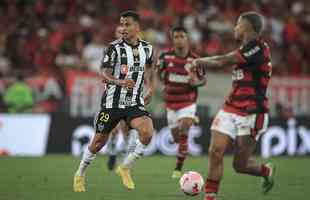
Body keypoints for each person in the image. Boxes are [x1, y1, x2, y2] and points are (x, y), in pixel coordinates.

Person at [191, 12, 275, 200]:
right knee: (215, 151)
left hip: (253, 111)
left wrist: (198, 61)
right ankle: (210, 197)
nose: (235, 28)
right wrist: (200, 62)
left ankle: (266, 171)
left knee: (240, 165)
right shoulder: (244, 49)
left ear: (246, 27)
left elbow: (222, 61)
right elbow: (222, 59)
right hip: (231, 107)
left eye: (237, 24)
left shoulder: (259, 49)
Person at [73, 10, 155, 192]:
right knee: (97, 143)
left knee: (147, 132)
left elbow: (150, 69)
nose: (123, 28)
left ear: (137, 27)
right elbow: (103, 74)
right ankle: (79, 174)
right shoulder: (114, 48)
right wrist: (119, 81)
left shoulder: (148, 48)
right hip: (112, 104)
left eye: (127, 24)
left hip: (134, 102)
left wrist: (151, 87)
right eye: (122, 24)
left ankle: (125, 167)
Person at [156, 27, 206, 179]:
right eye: (175, 36)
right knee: (178, 139)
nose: (178, 39)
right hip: (171, 103)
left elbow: (203, 80)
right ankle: (191, 120)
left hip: (187, 101)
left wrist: (195, 82)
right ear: (172, 39)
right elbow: (159, 74)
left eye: (181, 36)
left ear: (187, 38)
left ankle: (178, 168)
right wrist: (164, 83)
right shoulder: (165, 57)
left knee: (184, 128)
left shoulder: (195, 60)